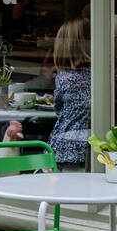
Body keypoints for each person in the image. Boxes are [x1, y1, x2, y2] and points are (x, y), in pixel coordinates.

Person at [49, 17, 92, 170]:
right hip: (91, 145)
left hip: (64, 144)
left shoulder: (64, 78)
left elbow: (58, 109)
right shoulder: (100, 75)